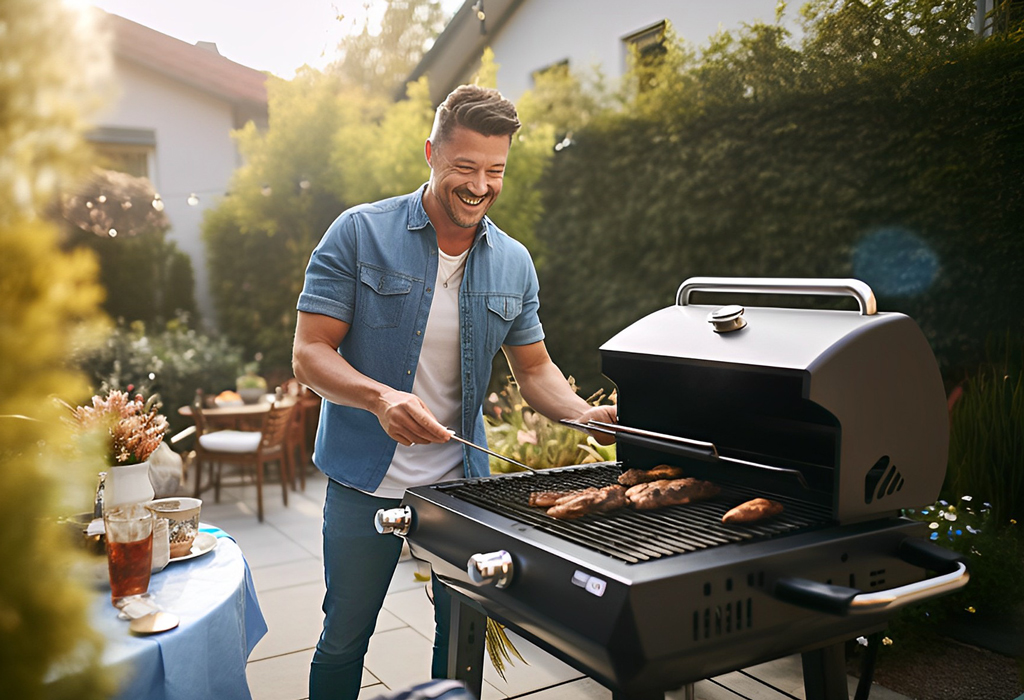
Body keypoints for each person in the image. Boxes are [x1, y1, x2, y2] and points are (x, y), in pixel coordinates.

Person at [292, 84, 616, 700]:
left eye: (495, 170)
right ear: (431, 154)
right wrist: (380, 399)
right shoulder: (360, 233)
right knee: (344, 635)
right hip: (365, 481)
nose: (479, 185)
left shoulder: (514, 262)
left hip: (460, 488)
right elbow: (309, 354)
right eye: (465, 167)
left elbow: (536, 368)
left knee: (458, 637)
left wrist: (583, 414)